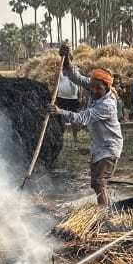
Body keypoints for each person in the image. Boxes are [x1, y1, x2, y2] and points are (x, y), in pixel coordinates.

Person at [51, 48, 123, 206]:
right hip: (98, 146)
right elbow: (75, 77)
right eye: (93, 87)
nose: (94, 90)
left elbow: (82, 118)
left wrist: (59, 111)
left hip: (109, 147)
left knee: (99, 181)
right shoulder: (93, 86)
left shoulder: (108, 105)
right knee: (96, 183)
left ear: (107, 88)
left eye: (99, 88)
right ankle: (104, 208)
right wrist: (67, 60)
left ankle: (104, 216)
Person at [54, 44, 83, 146]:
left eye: (69, 58)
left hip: (73, 98)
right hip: (61, 97)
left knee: (73, 118)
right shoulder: (59, 70)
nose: (67, 60)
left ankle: (75, 137)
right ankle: (60, 137)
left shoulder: (76, 70)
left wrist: (80, 96)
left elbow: (79, 84)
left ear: (71, 59)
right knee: (60, 118)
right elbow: (55, 83)